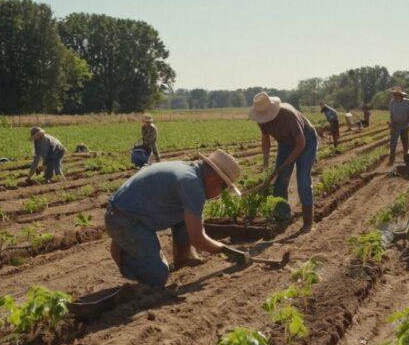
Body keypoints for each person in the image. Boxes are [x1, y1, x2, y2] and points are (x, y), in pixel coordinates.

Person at [105, 149, 250, 287]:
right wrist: (225, 251)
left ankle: (183, 259)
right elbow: (198, 239)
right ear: (215, 179)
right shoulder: (191, 184)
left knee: (187, 214)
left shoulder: (190, 172)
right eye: (224, 188)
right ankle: (124, 257)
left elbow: (194, 223)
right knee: (157, 276)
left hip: (124, 211)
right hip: (125, 220)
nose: (220, 193)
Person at [250, 92, 318, 234]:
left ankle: (308, 223)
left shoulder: (287, 115)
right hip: (285, 142)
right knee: (280, 180)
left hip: (306, 139)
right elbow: (265, 138)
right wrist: (266, 161)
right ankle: (283, 216)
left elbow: (301, 143)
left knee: (303, 179)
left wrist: (285, 164)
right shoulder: (261, 118)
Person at [388, 87, 409, 165]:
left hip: (405, 125)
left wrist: (406, 121)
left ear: (401, 95)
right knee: (392, 144)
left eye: (397, 95)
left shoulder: (408, 103)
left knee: (405, 143)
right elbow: (391, 115)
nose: (395, 96)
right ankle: (391, 161)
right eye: (394, 95)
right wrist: (392, 124)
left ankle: (406, 160)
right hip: (395, 126)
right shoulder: (392, 103)